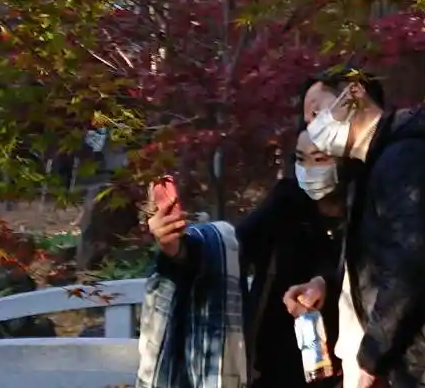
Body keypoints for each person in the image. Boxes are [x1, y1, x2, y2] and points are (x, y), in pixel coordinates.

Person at [305, 71, 425, 388]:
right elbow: (378, 258)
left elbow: (413, 265)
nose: (314, 128)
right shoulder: (375, 165)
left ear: (354, 93)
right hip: (422, 356)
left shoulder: (407, 159)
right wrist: (326, 283)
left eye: (316, 112)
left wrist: (373, 355)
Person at [146, 124, 349, 388]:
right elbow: (233, 248)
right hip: (274, 362)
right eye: (301, 159)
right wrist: (177, 248)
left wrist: (325, 284)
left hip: (351, 362)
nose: (308, 169)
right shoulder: (286, 201)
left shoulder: (370, 208)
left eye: (320, 159)